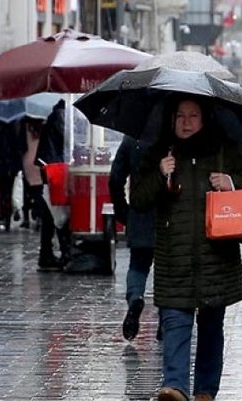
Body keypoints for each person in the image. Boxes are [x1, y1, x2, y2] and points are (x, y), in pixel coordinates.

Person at [131, 96, 242, 401]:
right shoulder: (158, 154)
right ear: (171, 119)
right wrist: (159, 175)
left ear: (204, 120)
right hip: (174, 256)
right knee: (175, 321)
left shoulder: (223, 151)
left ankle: (205, 391)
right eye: (180, 116)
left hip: (216, 256)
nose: (186, 122)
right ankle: (175, 386)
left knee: (211, 326)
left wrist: (230, 182)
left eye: (193, 116)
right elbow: (137, 199)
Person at [110, 136, 158, 341]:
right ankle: (166, 318)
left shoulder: (133, 137)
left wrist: (122, 211)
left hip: (140, 214)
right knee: (169, 270)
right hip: (170, 214)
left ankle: (135, 297)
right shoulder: (174, 134)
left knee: (138, 265)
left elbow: (115, 179)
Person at [35, 100, 72, 270]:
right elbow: (68, 139)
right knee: (55, 208)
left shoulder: (58, 113)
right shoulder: (60, 115)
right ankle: (58, 251)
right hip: (53, 167)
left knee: (50, 209)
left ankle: (48, 252)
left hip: (51, 165)